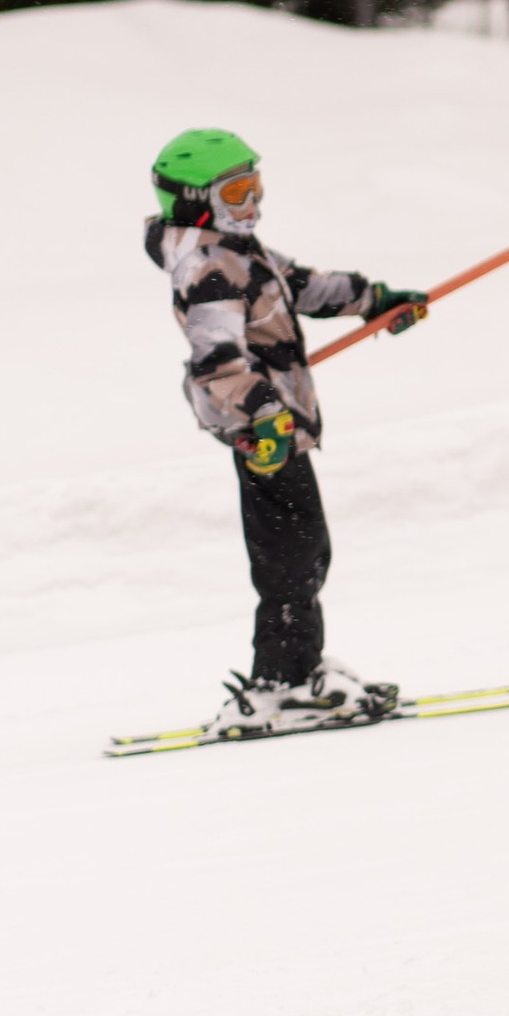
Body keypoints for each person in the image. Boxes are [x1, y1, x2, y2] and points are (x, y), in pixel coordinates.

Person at [143, 128, 431, 738]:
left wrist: (375, 301)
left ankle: (297, 669)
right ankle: (282, 683)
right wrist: (264, 412)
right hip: (262, 432)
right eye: (239, 191)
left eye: (256, 187)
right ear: (198, 199)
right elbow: (216, 358)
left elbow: (298, 286)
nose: (254, 204)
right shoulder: (207, 266)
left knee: (302, 551)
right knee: (291, 557)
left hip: (273, 422)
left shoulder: (237, 248)